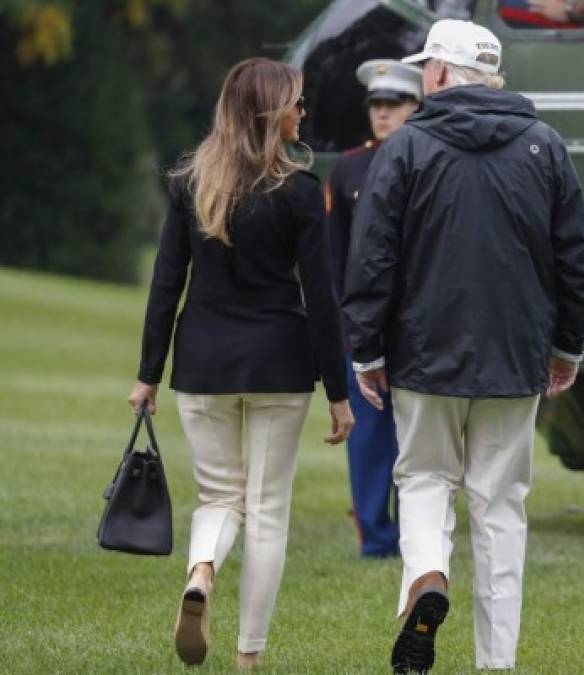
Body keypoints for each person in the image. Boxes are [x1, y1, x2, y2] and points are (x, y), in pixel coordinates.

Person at [342, 19, 584, 673]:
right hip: (516, 356)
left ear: (437, 74)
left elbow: (371, 256)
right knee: (500, 503)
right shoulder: (543, 146)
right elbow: (578, 261)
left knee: (424, 478)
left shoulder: (406, 148)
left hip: (423, 353)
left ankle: (428, 574)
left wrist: (366, 349)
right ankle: (496, 660)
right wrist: (566, 345)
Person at [127, 57, 354, 669]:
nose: (303, 111)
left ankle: (202, 571)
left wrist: (149, 373)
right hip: (280, 363)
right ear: (272, 113)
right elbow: (322, 298)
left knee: (220, 497)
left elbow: (165, 283)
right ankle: (248, 657)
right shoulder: (302, 192)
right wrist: (339, 391)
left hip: (201, 361)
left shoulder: (189, 182)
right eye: (296, 103)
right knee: (269, 512)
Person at [327, 59, 422, 559]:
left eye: (394, 105)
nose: (382, 114)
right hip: (363, 328)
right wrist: (344, 327)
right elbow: (335, 256)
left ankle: (416, 533)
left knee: (418, 439)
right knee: (368, 442)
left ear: (416, 107)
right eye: (376, 105)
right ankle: (376, 537)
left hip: (418, 327)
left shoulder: (431, 159)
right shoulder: (348, 168)